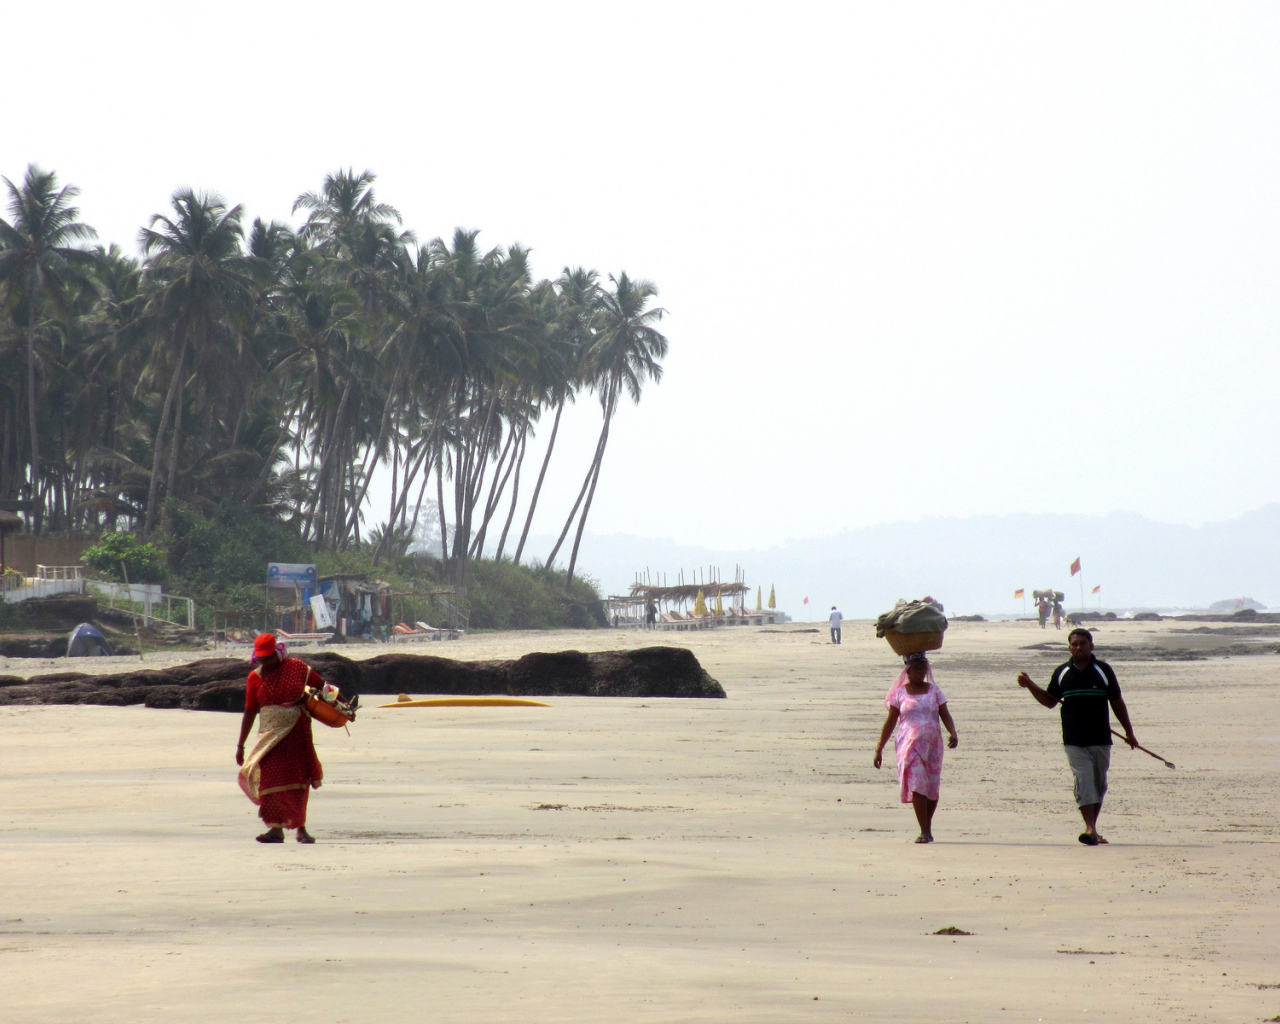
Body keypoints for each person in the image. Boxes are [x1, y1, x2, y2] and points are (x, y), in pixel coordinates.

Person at [1016, 628, 1138, 846]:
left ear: (1091, 646)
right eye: (1074, 644)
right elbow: (1049, 701)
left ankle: (1093, 829)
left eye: (1082, 643)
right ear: (1069, 647)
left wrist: (1129, 732)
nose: (1078, 647)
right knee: (1083, 781)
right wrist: (1030, 686)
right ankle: (1090, 828)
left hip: (1100, 738)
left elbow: (1117, 702)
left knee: (1098, 784)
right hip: (1074, 739)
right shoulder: (1062, 672)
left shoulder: (1103, 670)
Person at [236, 633, 325, 843]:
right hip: (269, 736)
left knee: (299, 779)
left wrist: (344, 706)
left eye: (269, 657)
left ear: (278, 653)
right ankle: (276, 829)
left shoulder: (297, 668)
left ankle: (301, 829)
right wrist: (241, 745)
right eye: (261, 658)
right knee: (270, 779)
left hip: (297, 731)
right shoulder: (254, 678)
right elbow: (250, 711)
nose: (265, 662)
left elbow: (322, 685)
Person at [873, 652, 959, 843]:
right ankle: (924, 831)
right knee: (918, 785)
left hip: (933, 745)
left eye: (923, 669)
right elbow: (890, 722)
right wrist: (879, 748)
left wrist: (953, 733)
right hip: (909, 745)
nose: (920, 673)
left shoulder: (934, 690)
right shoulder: (900, 693)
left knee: (932, 788)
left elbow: (945, 714)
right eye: (916, 669)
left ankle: (927, 827)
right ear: (908, 671)